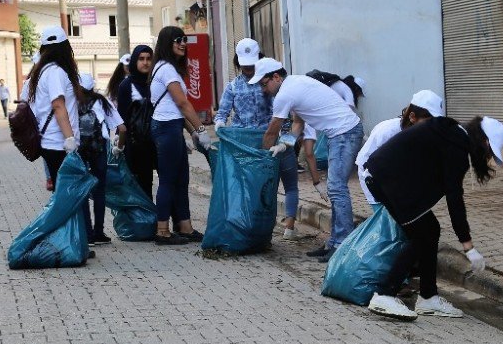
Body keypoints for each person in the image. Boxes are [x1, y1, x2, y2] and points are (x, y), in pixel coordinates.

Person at [363, 116, 503, 321]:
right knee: (422, 236)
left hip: (384, 176)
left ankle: (428, 297)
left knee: (430, 229)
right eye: (489, 151)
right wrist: (468, 246)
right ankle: (384, 294)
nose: (487, 157)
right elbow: (454, 199)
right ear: (484, 141)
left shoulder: (451, 132)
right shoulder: (456, 148)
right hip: (389, 180)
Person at [251, 59, 364, 262]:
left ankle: (342, 246)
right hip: (342, 133)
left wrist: (263, 158)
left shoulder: (284, 94)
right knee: (335, 188)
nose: (264, 89)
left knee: (337, 189)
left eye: (264, 83)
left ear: (276, 77)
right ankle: (334, 242)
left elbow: (271, 131)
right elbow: (298, 123)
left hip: (345, 133)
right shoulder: (295, 83)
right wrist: (285, 145)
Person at [214, 38, 303, 239]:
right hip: (247, 146)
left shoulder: (272, 81)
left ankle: (289, 224)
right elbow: (223, 112)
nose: (247, 68)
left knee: (289, 181)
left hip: (277, 139)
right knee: (253, 186)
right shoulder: (233, 87)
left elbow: (289, 115)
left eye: (251, 64)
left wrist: (285, 141)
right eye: (244, 64)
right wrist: (219, 123)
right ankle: (251, 223)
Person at [149, 26, 212, 245]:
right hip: (166, 128)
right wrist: (202, 130)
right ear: (167, 42)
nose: (183, 43)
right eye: (178, 39)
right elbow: (182, 103)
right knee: (168, 180)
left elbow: (177, 109)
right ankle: (162, 230)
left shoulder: (168, 68)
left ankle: (185, 226)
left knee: (181, 179)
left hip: (171, 127)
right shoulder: (165, 68)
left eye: (184, 39)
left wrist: (192, 131)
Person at [356, 90, 443, 210]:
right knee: (386, 220)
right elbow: (367, 162)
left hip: (397, 181)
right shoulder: (388, 131)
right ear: (412, 117)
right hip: (373, 178)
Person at [19, 25, 81, 187]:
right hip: (59, 144)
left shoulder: (42, 71)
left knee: (64, 198)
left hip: (51, 143)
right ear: (65, 48)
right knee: (67, 199)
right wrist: (70, 140)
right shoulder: (55, 71)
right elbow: (58, 106)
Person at [78, 73, 126, 245]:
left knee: (82, 191)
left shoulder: (72, 102)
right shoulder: (102, 101)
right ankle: (99, 232)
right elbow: (122, 128)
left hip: (79, 150)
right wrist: (119, 147)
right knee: (99, 191)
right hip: (99, 149)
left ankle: (87, 235)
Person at [116, 45, 157, 198]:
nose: (145, 63)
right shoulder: (126, 86)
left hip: (157, 142)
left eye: (148, 59)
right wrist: (119, 144)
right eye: (141, 59)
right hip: (136, 146)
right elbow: (122, 118)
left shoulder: (156, 82)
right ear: (135, 61)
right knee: (141, 188)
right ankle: (145, 221)